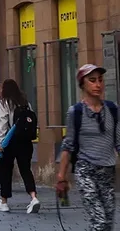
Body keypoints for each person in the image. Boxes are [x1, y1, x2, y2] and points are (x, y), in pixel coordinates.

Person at [58, 64, 120, 231]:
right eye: (92, 80)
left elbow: (119, 142)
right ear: (82, 84)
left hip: (107, 172)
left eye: (100, 80)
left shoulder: (113, 109)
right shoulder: (76, 112)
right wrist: (61, 176)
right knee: (99, 220)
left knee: (107, 223)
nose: (98, 84)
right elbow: (68, 145)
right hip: (86, 170)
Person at [0, 78, 39, 213]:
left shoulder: (4, 103)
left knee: (6, 171)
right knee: (25, 170)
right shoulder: (25, 102)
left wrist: (0, 144)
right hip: (25, 142)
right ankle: (33, 197)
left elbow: (2, 124)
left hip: (10, 141)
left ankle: (4, 202)